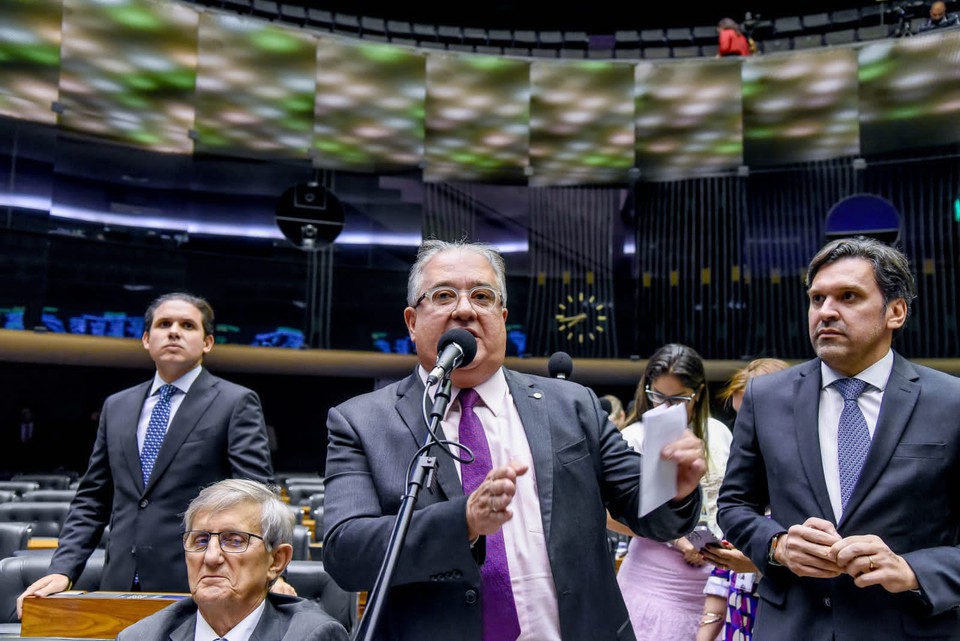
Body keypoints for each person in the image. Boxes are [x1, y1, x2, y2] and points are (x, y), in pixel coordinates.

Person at [323, 239, 707, 641]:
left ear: (502, 317)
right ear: (412, 321)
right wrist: (464, 522)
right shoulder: (362, 421)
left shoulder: (573, 406)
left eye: (483, 296)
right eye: (443, 295)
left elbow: (651, 515)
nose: (465, 309)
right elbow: (346, 554)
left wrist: (673, 489)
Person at [718, 237, 960, 639]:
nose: (826, 312)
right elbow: (734, 504)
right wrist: (777, 546)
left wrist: (913, 570)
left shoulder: (950, 402)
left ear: (895, 312)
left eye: (848, 296)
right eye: (817, 299)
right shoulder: (767, 397)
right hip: (793, 626)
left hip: (909, 626)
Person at [18, 292, 277, 617]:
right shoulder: (117, 405)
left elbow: (256, 499)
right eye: (163, 324)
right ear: (146, 339)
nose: (173, 331)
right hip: (120, 582)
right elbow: (92, 499)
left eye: (187, 325)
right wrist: (63, 570)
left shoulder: (235, 402)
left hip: (200, 578)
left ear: (207, 342)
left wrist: (266, 573)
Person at [117, 479, 348, 641]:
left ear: (276, 561)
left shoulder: (311, 636)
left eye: (234, 541)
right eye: (200, 541)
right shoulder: (141, 636)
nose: (211, 557)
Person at [611, 343, 733, 641]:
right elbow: (606, 514)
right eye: (657, 397)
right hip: (653, 579)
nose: (664, 408)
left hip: (715, 582)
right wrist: (678, 539)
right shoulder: (632, 438)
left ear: (699, 393)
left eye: (677, 399)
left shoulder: (718, 433)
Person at [697, 358, 790, 641]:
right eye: (741, 417)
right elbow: (719, 590)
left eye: (754, 416)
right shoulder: (747, 475)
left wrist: (755, 561)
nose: (745, 429)